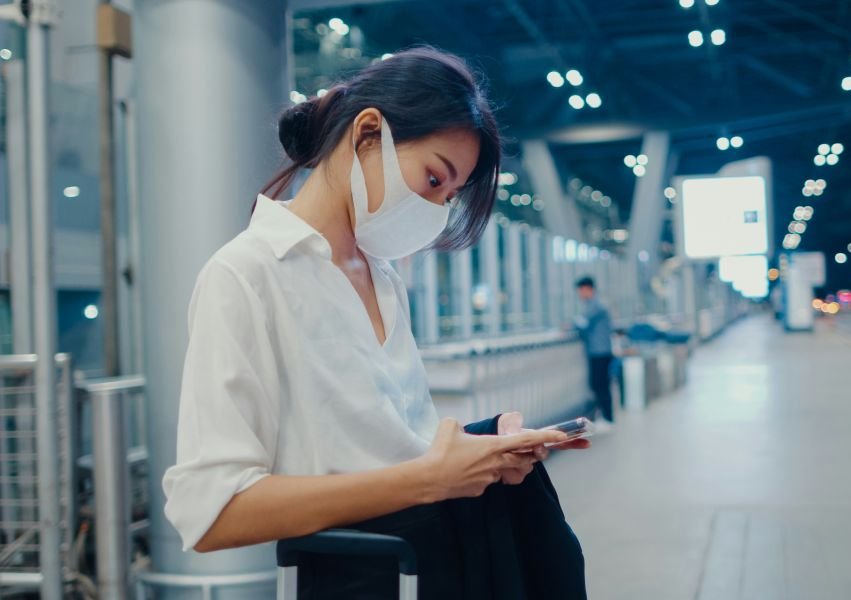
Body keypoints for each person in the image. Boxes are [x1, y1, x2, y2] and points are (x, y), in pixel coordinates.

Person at [161, 47, 589, 599]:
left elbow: (388, 448)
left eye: (449, 196)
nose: (436, 208)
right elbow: (213, 512)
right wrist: (431, 478)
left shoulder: (383, 278)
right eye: (434, 179)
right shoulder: (246, 275)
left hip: (434, 565)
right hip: (353, 577)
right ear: (368, 133)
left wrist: (484, 446)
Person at [573, 276, 615, 428]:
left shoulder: (596, 305)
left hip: (600, 352)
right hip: (599, 351)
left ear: (588, 289)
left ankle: (608, 418)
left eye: (580, 290)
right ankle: (604, 417)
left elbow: (581, 323)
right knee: (599, 384)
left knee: (600, 385)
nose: (579, 294)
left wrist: (571, 324)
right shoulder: (595, 304)